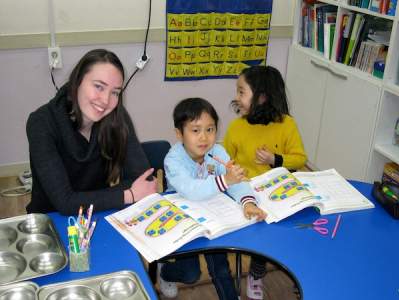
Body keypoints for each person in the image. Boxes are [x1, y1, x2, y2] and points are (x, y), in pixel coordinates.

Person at [26, 49, 157, 216]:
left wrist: (88, 199)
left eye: (115, 92)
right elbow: (64, 203)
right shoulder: (42, 122)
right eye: (98, 86)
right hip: (51, 220)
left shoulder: (116, 116)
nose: (105, 100)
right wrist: (128, 194)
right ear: (78, 80)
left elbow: (144, 181)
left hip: (96, 214)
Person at [158, 98, 266, 299]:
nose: (204, 138)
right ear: (179, 134)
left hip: (214, 217)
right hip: (184, 220)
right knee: (191, 274)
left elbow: (237, 180)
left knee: (221, 269)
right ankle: (165, 272)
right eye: (196, 130)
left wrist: (248, 202)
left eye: (210, 129)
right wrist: (225, 180)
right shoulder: (173, 159)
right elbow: (192, 190)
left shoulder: (216, 151)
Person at [224, 65, 307, 300]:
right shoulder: (237, 127)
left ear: (261, 97)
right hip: (247, 191)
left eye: (242, 92)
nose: (236, 97)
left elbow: (300, 159)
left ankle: (269, 273)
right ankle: (252, 273)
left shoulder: (287, 124)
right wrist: (229, 169)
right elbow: (224, 158)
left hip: (278, 190)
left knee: (290, 227)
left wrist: (275, 159)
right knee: (259, 228)